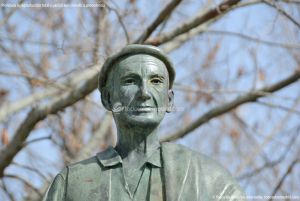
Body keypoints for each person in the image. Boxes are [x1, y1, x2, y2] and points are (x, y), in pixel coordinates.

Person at [43, 44, 246, 201]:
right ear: (107, 98)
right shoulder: (71, 184)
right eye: (130, 81)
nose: (145, 93)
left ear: (170, 100)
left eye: (156, 81)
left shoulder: (210, 179)